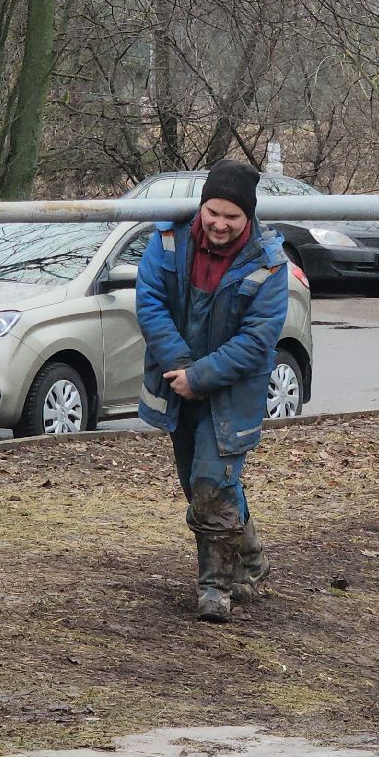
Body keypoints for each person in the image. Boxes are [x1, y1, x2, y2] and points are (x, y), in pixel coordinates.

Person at [136, 159, 292, 623]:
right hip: (176, 384)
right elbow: (150, 303)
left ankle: (215, 590)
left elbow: (257, 340)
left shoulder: (270, 263)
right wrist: (182, 370)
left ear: (250, 218)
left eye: (233, 217)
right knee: (199, 485)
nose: (220, 224)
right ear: (202, 207)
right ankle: (251, 557)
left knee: (210, 484)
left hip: (232, 393)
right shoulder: (166, 242)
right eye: (214, 212)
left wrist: (200, 377)